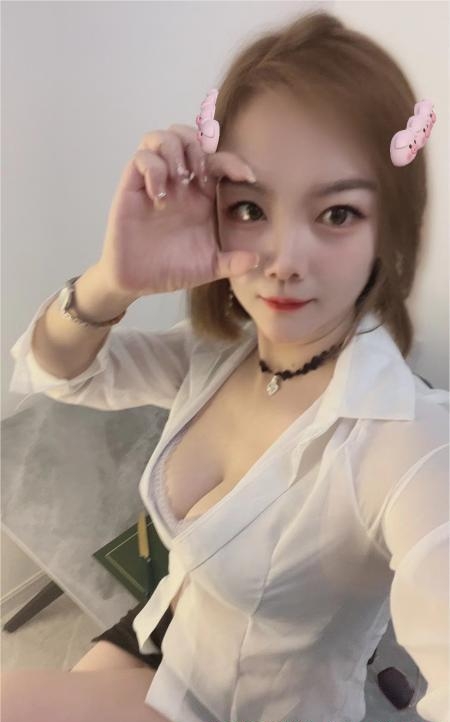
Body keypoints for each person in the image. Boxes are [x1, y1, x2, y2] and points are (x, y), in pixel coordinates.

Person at [4, 9, 449, 722]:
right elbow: (60, 371)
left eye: (337, 214)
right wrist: (115, 280)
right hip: (162, 629)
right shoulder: (221, 354)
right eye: (249, 208)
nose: (283, 260)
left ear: (390, 229)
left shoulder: (406, 440)